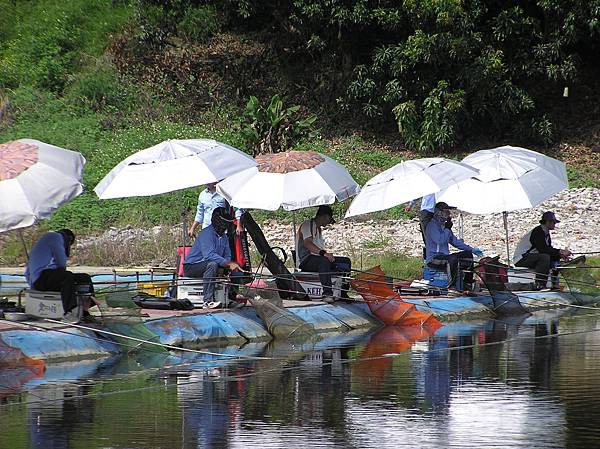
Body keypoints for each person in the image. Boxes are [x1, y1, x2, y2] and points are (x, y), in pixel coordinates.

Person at [25, 229, 97, 324]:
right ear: (69, 239)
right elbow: (61, 261)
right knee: (66, 277)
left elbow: (27, 272)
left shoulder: (47, 240)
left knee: (84, 278)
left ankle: (85, 310)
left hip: (41, 279)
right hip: (40, 280)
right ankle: (70, 311)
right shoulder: (55, 237)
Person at [183, 208, 245, 305]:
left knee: (236, 267)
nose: (226, 226)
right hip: (192, 266)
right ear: (217, 221)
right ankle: (207, 301)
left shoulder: (224, 237)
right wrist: (227, 264)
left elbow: (227, 255)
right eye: (224, 223)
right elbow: (209, 255)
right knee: (212, 264)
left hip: (212, 264)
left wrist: (228, 265)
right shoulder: (206, 233)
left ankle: (231, 297)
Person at [296, 205, 351, 302]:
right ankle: (327, 293)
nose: (329, 223)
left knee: (345, 262)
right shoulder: (308, 224)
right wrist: (324, 254)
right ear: (325, 217)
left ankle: (343, 291)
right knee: (323, 261)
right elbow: (307, 243)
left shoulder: (318, 229)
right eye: (329, 220)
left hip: (316, 258)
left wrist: (327, 255)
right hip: (306, 259)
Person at [425, 202, 484, 290]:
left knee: (467, 255)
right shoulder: (432, 226)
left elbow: (455, 241)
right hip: (434, 258)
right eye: (446, 212)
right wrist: (447, 229)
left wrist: (471, 249)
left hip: (444, 256)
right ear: (439, 212)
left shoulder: (443, 227)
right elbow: (440, 240)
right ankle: (452, 286)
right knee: (452, 259)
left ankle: (467, 282)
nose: (448, 214)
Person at [514, 211, 572, 289]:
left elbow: (548, 250)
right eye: (553, 222)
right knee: (544, 257)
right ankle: (540, 284)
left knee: (552, 259)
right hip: (521, 258)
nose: (555, 225)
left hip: (530, 256)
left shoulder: (545, 232)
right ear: (547, 222)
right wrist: (560, 251)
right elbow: (543, 249)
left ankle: (554, 283)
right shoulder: (538, 231)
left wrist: (560, 256)